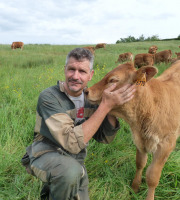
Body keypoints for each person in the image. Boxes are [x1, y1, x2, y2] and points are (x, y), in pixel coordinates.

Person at [22, 48, 136, 200]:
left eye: (82, 71)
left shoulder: (92, 99)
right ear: (64, 70)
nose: (75, 76)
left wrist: (111, 109)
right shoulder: (50, 97)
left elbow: (105, 138)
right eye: (71, 69)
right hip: (44, 154)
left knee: (73, 183)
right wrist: (105, 106)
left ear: (91, 75)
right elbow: (72, 143)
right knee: (69, 174)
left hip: (75, 160)